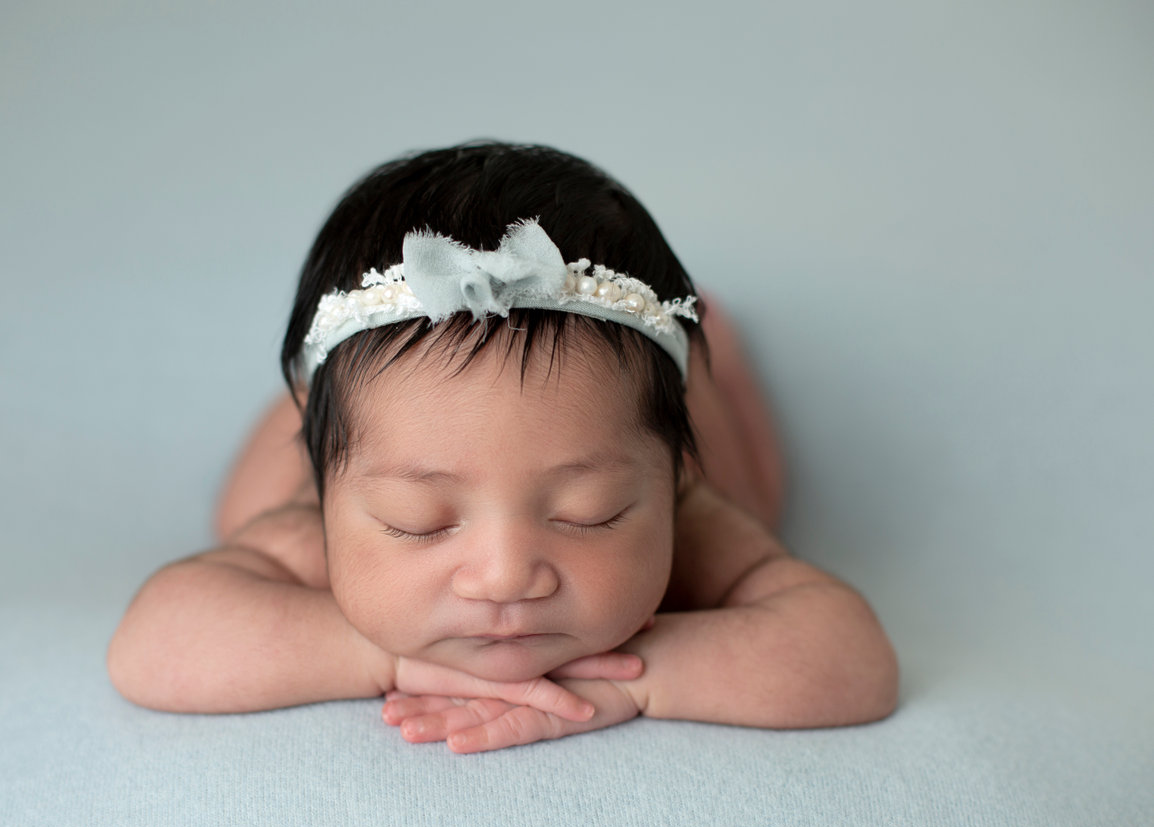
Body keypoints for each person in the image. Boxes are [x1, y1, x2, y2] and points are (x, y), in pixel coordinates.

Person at [107, 141, 898, 753]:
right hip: (333, 435)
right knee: (247, 499)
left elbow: (854, 661)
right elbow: (148, 644)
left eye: (591, 513)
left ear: (665, 480)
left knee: (751, 478)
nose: (506, 576)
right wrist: (372, 653)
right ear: (332, 502)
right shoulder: (304, 523)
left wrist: (641, 678)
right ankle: (315, 405)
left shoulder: (694, 513)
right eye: (416, 519)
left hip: (681, 431)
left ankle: (711, 351)